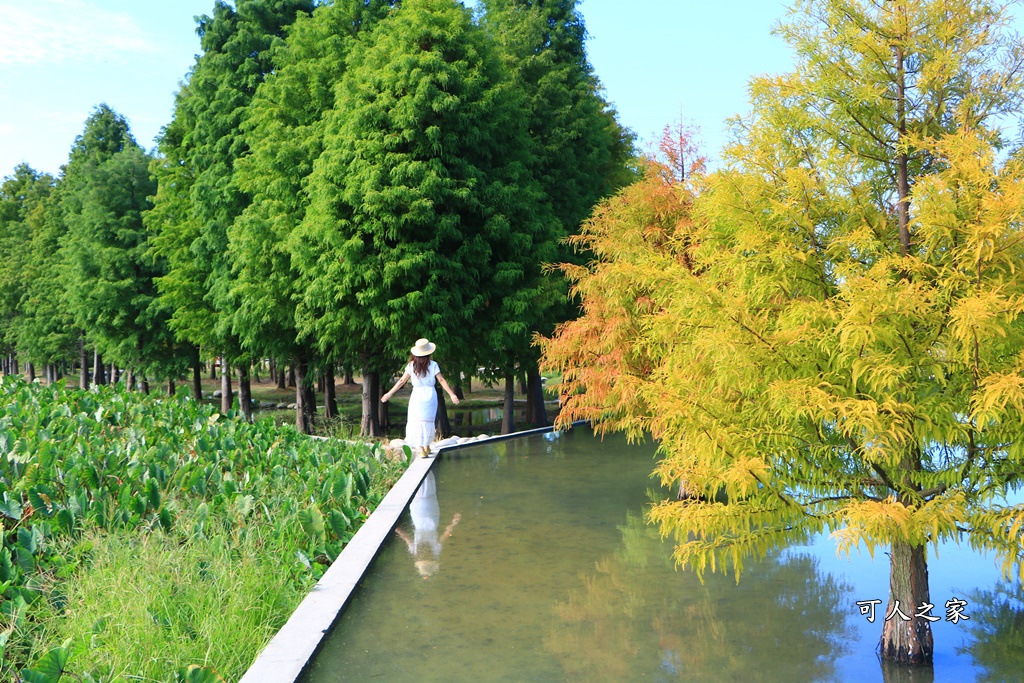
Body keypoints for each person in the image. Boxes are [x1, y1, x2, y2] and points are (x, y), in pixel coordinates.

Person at [381, 338, 460, 456]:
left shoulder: (411, 365)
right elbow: (442, 380)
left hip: (417, 396)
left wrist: (389, 393)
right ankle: (427, 445)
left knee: (417, 421)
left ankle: (421, 448)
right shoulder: (433, 365)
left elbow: (402, 381)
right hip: (430, 396)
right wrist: (452, 394)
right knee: (428, 421)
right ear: (429, 353)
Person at [394, 471, 460, 579]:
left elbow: (406, 538)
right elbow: (445, 535)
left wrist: (396, 528)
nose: (426, 556)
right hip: (429, 514)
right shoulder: (434, 549)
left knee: (420, 486)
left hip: (421, 515)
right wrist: (454, 522)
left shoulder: (418, 550)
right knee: (426, 484)